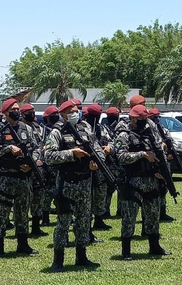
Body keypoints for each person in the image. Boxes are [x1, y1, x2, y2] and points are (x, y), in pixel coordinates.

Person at [45, 99, 105, 272]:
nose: (75, 113)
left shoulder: (85, 127)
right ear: (63, 114)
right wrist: (71, 153)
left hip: (85, 181)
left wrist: (96, 162)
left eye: (77, 110)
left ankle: (81, 255)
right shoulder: (56, 132)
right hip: (67, 182)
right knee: (63, 222)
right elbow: (49, 156)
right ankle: (58, 259)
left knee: (84, 221)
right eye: (71, 111)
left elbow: (97, 149)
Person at [114, 105, 171, 260]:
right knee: (129, 217)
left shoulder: (150, 134)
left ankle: (155, 246)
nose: (144, 122)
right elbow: (120, 157)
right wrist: (142, 155)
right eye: (141, 119)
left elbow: (158, 153)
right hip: (133, 181)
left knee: (153, 214)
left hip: (151, 180)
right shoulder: (124, 135)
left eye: (145, 119)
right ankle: (126, 250)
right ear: (133, 118)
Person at [0, 98, 39, 258]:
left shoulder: (27, 129)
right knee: (3, 212)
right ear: (4, 112)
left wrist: (32, 164)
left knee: (23, 212)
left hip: (24, 178)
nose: (17, 111)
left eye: (18, 109)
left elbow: (37, 148)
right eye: (13, 109)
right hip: (6, 178)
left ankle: (23, 244)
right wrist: (9, 148)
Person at [83, 104, 113, 235]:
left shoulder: (102, 128)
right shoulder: (83, 128)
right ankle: (86, 223)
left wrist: (109, 148)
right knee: (87, 194)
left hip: (101, 166)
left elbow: (112, 140)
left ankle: (99, 219)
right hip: (86, 166)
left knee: (101, 191)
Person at [20, 103, 48, 237]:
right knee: (24, 200)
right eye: (29, 112)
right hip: (24, 168)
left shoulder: (39, 128)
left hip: (39, 166)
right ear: (23, 114)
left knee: (38, 197)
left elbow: (44, 144)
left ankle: (36, 225)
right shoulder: (19, 128)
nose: (32, 114)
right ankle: (21, 228)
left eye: (33, 111)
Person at [148, 108, 176, 222]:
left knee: (164, 186)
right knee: (154, 188)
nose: (156, 119)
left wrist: (170, 152)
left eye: (158, 117)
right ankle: (153, 212)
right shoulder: (147, 131)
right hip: (153, 162)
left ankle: (163, 211)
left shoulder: (163, 130)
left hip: (165, 161)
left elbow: (171, 142)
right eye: (154, 117)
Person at [40, 105, 59, 226]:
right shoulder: (44, 131)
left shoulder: (60, 129)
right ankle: (45, 217)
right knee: (47, 193)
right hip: (48, 166)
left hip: (59, 166)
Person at [103, 107, 121, 217]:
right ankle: (105, 211)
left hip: (119, 161)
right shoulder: (105, 129)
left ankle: (121, 210)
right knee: (108, 188)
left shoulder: (121, 127)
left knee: (122, 188)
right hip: (109, 162)